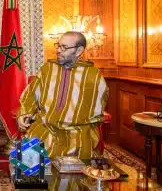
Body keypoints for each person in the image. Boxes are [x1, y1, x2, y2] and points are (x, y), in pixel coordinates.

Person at [17, 31, 109, 159]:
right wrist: (24, 113)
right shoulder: (47, 69)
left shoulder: (93, 75)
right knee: (26, 165)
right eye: (58, 46)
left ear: (79, 51)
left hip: (78, 132)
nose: (58, 50)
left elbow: (99, 106)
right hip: (45, 128)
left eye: (64, 47)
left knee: (75, 174)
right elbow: (30, 95)